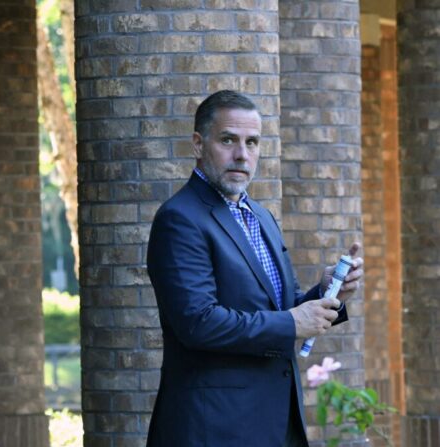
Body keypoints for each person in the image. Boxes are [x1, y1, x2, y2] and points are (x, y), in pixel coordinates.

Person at [145, 90, 363, 447]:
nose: (242, 154)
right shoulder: (179, 218)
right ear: (199, 144)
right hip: (214, 428)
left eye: (252, 142)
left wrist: (327, 292)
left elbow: (282, 306)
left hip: (275, 421)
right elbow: (199, 323)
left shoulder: (260, 216)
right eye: (228, 140)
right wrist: (294, 321)